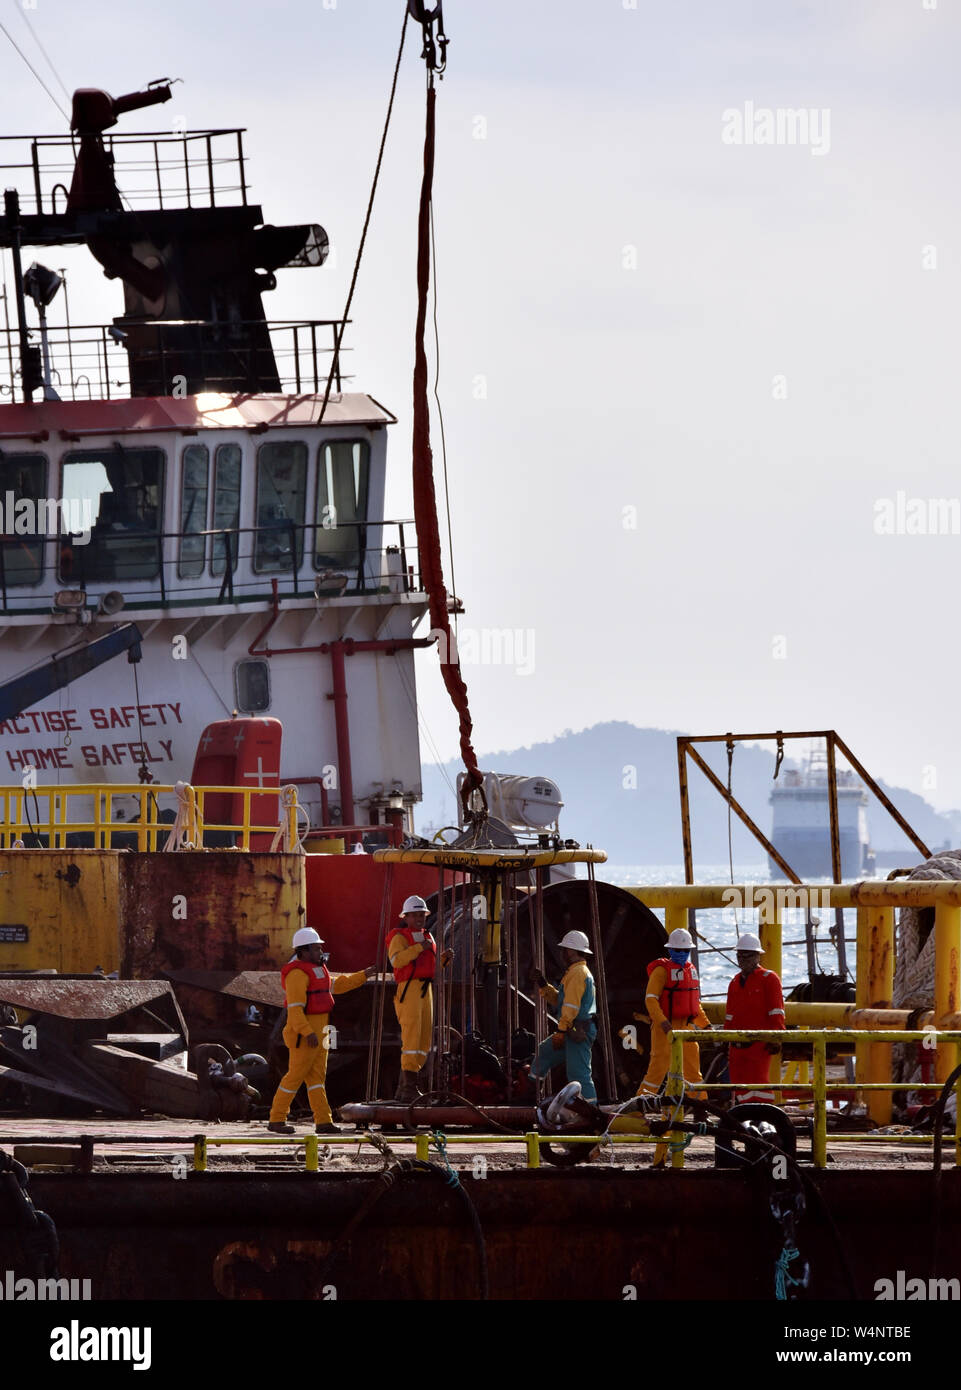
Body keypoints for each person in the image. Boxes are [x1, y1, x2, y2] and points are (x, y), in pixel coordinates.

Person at [267, 927, 374, 1134]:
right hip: (305, 1034)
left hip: (321, 1029)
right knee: (295, 1075)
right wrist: (308, 1033)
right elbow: (295, 1010)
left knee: (316, 1079)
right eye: (316, 949)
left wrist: (363, 975)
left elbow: (338, 985)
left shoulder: (317, 970)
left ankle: (323, 1121)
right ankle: (277, 1118)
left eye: (320, 948)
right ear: (303, 951)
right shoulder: (297, 974)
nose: (320, 952)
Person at [387, 895, 452, 1103]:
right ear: (405, 917)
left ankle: (405, 1089)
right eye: (414, 915)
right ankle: (409, 1089)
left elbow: (431, 968)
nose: (419, 918)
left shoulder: (428, 937)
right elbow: (396, 961)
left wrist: (444, 960)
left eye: (421, 915)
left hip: (426, 989)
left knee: (423, 1039)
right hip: (409, 990)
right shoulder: (400, 937)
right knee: (412, 1038)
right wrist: (418, 948)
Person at [530, 929, 598, 1103]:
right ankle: (530, 1096)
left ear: (571, 951)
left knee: (579, 1075)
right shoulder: (574, 973)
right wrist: (543, 984)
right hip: (571, 1029)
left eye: (564, 950)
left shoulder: (578, 974)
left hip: (576, 1030)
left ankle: (593, 1111)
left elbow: (570, 1007)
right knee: (544, 1053)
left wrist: (561, 1031)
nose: (561, 954)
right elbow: (560, 1001)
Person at [724, 932, 785, 1102]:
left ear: (758, 956)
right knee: (738, 1086)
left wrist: (776, 1037)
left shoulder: (769, 979)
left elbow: (777, 1011)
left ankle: (762, 1117)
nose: (743, 959)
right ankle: (743, 1118)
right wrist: (724, 1038)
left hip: (759, 1045)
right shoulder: (734, 982)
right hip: (736, 1046)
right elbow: (730, 1015)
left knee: (759, 1085)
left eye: (748, 955)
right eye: (739, 955)